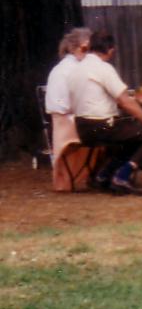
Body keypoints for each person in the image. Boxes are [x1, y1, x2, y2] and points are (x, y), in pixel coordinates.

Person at [68, 31, 142, 196]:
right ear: (110, 50)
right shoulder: (103, 68)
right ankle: (122, 177)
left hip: (82, 128)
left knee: (131, 133)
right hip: (102, 126)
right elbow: (125, 101)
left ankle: (103, 176)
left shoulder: (76, 70)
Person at [44, 27, 93, 191]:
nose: (88, 53)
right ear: (75, 48)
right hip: (68, 121)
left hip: (59, 122)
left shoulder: (62, 67)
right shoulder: (75, 69)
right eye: (85, 49)